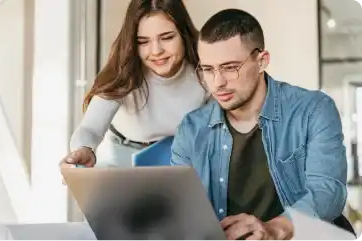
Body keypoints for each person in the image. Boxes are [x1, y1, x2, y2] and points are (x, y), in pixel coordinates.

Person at [171, 8, 348, 241]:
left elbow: (328, 191)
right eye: (208, 69)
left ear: (262, 61)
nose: (217, 82)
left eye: (230, 67)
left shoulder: (313, 109)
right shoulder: (191, 129)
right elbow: (179, 207)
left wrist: (275, 229)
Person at [61, 0, 208, 168]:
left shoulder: (207, 71)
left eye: (167, 38)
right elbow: (90, 128)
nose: (156, 51)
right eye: (143, 42)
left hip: (183, 157)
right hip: (122, 157)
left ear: (183, 34)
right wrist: (83, 149)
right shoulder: (124, 72)